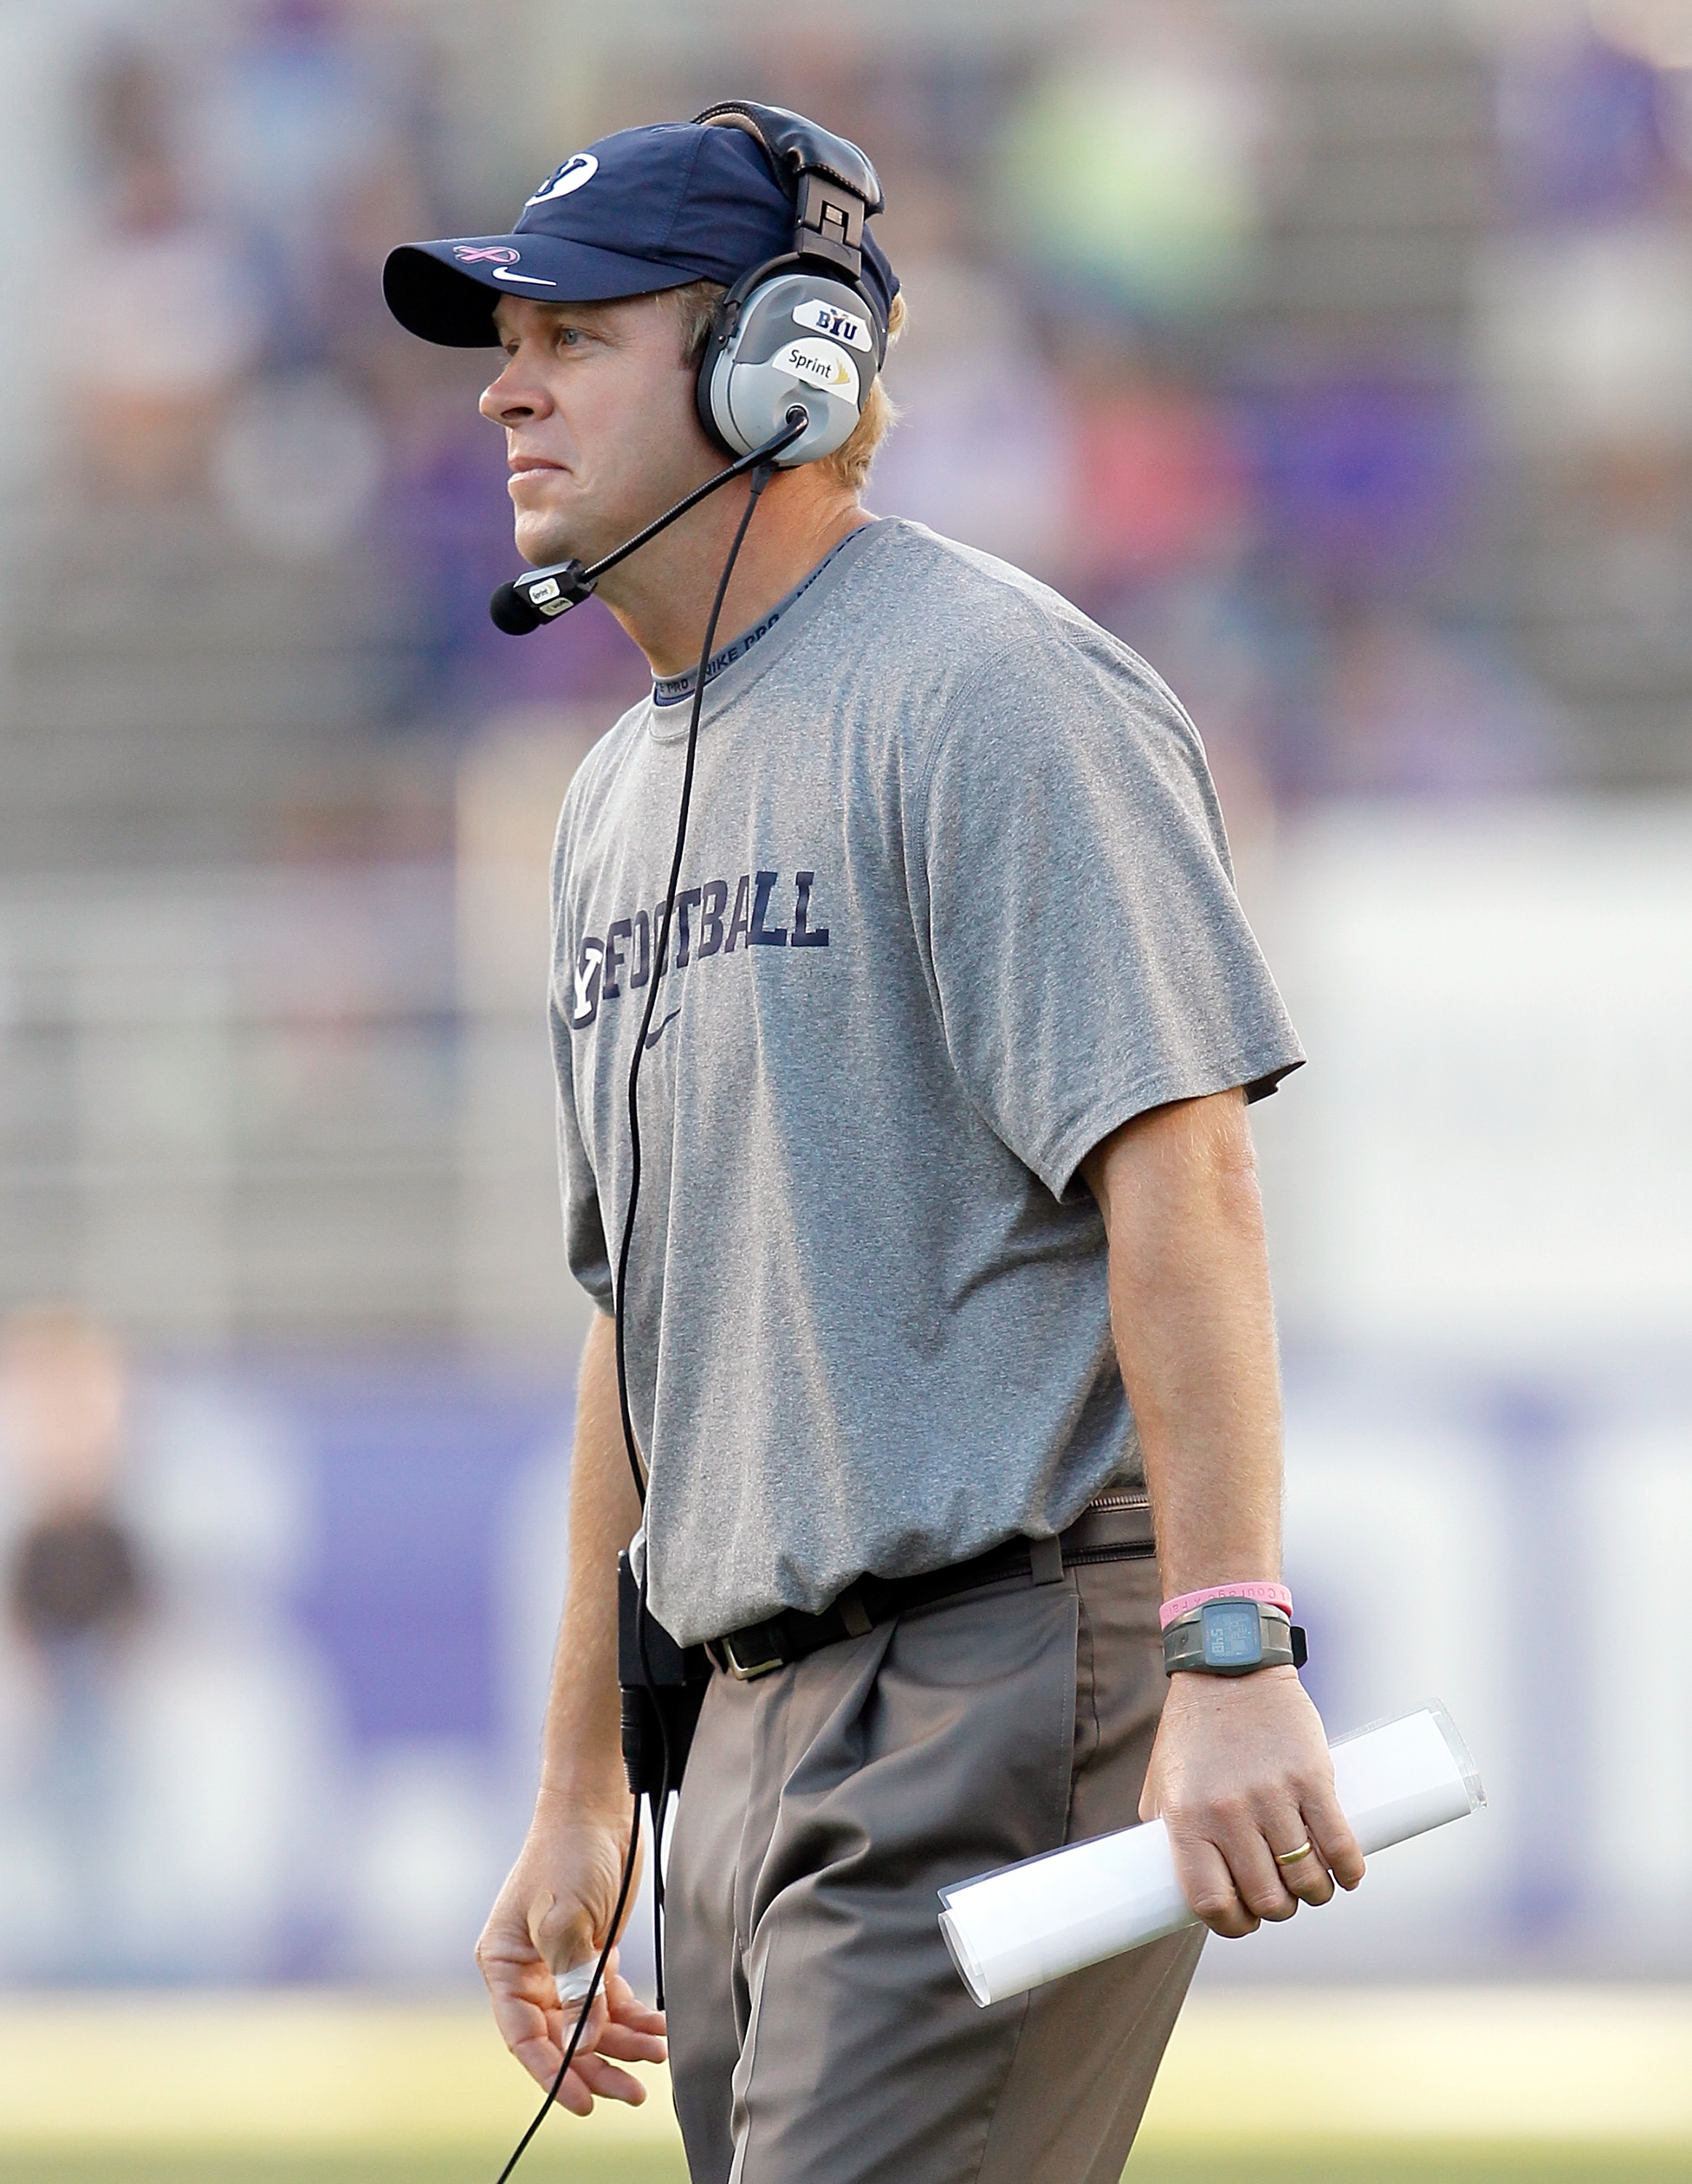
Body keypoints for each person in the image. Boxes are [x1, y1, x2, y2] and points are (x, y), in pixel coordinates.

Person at [383, 106, 1365, 2184]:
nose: (506, 385)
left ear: (779, 365)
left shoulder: (992, 691)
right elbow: (631, 1329)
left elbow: (1178, 1176)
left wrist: (1230, 1647)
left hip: (995, 1672)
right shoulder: (604, 805)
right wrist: (579, 1790)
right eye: (505, 337)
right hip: (741, 1734)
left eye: (572, 332)